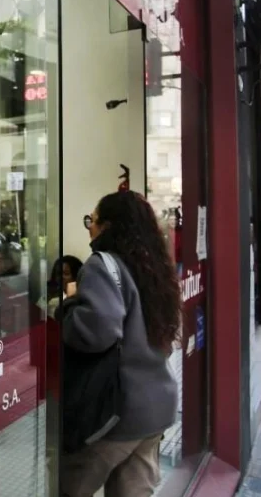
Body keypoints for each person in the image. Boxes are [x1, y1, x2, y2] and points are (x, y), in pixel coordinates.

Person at [59, 191, 180, 497]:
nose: (89, 227)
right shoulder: (156, 267)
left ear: (108, 226)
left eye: (92, 220)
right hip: (157, 406)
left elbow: (96, 331)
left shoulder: (102, 265)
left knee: (68, 487)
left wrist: (68, 308)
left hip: (117, 412)